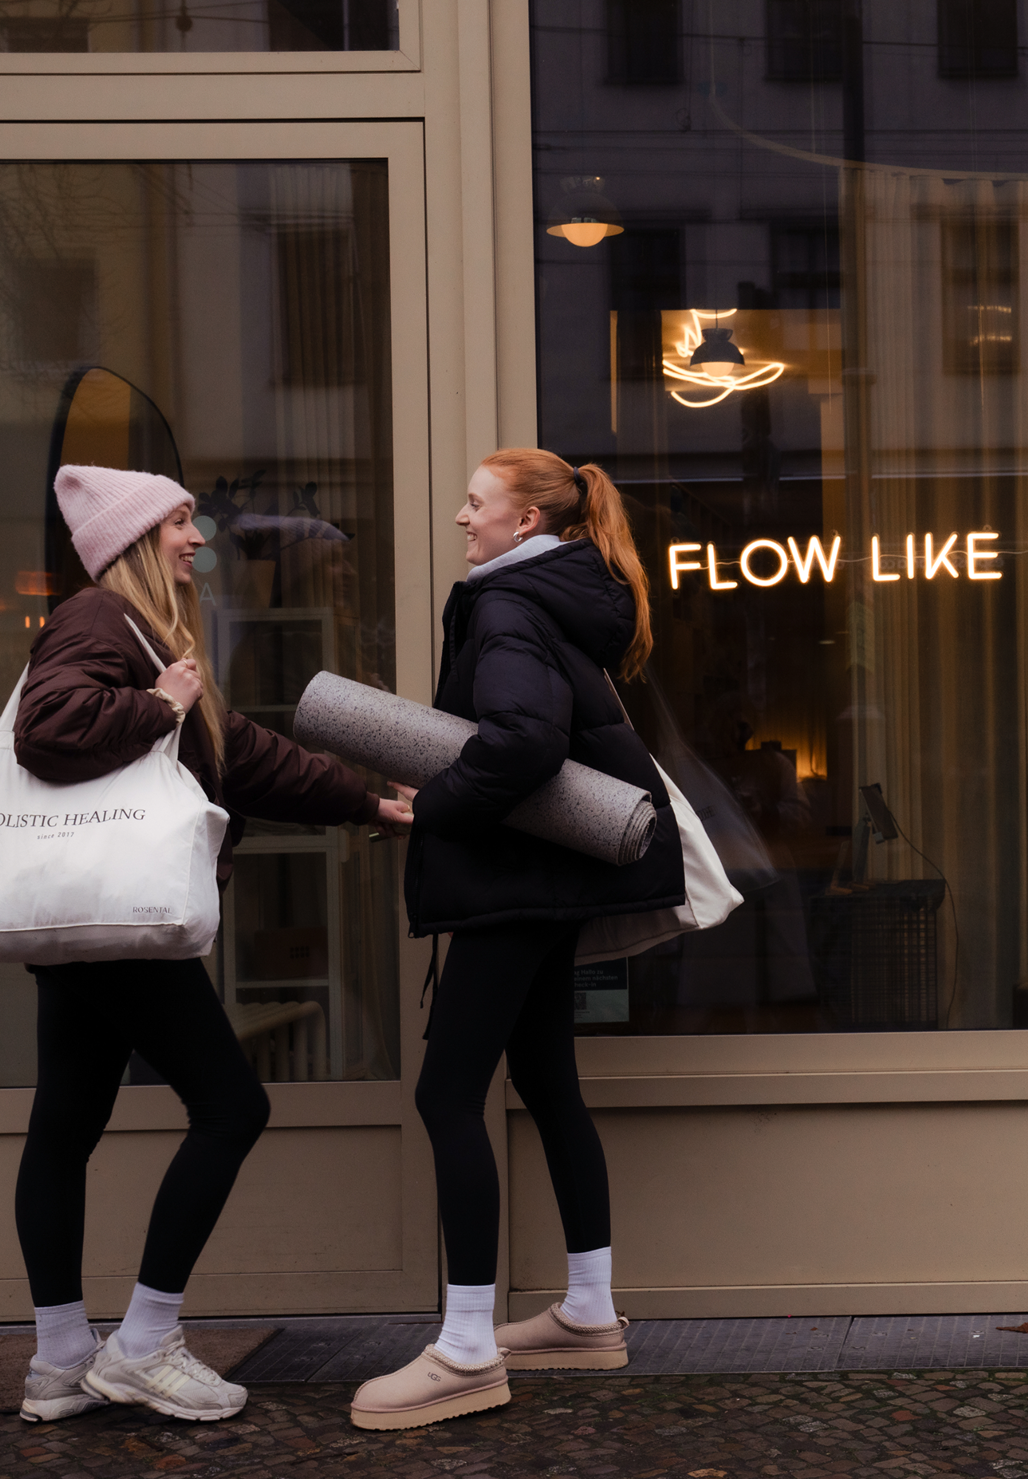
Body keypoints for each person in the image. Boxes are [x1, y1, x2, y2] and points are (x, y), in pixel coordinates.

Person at [14, 465, 411, 1424]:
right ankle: (146, 1342)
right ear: (135, 541)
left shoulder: (151, 636)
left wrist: (364, 802)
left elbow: (245, 756)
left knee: (64, 1129)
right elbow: (47, 726)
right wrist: (161, 700)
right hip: (121, 926)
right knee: (232, 1106)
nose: (197, 539)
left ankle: (61, 1360)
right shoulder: (98, 620)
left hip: (93, 921)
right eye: (180, 523)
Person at [349, 449, 685, 1431]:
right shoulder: (558, 599)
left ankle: (463, 1353)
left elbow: (524, 741)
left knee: (448, 1092)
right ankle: (585, 1312)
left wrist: (434, 807)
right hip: (545, 885)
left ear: (526, 523)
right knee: (546, 1084)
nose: (462, 519)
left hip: (510, 887)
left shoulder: (506, 608)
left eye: (475, 503)